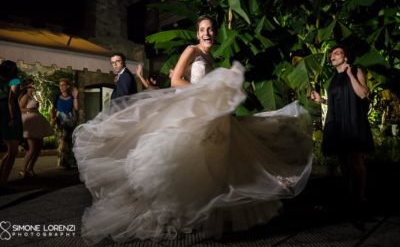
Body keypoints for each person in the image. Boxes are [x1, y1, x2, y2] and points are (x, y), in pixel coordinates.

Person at [73, 15, 313, 243]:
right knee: (186, 159)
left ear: (215, 33)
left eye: (210, 29)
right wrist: (205, 94)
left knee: (217, 160)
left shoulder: (212, 59)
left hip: (211, 112)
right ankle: (173, 209)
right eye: (202, 30)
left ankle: (208, 212)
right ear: (197, 34)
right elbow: (176, 80)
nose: (207, 33)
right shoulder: (192, 50)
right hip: (194, 110)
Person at [310, 45, 374, 205]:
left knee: (356, 160)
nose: (333, 56)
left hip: (353, 121)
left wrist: (350, 74)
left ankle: (360, 196)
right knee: (344, 161)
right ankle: (348, 193)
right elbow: (335, 102)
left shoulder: (356, 70)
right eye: (332, 54)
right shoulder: (333, 80)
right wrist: (321, 100)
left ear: (346, 57)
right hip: (338, 123)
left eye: (337, 53)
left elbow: (363, 93)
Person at [18, 78, 53, 178]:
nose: (35, 85)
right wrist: (29, 109)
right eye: (33, 84)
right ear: (28, 86)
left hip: (37, 123)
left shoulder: (32, 96)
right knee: (32, 148)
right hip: (30, 124)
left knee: (38, 148)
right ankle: (22, 169)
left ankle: (30, 168)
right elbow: (20, 108)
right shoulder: (25, 96)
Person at [0, 60, 23, 184]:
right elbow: (12, 100)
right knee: (13, 151)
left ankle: (2, 180)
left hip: (2, 115)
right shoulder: (14, 81)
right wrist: (13, 118)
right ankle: (3, 182)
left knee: (10, 150)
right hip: (10, 115)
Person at [51, 78, 79, 170]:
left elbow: (76, 108)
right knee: (62, 141)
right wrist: (53, 118)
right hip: (60, 121)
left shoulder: (71, 97)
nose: (61, 87)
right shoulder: (57, 97)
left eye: (63, 85)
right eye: (60, 85)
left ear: (67, 86)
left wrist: (75, 97)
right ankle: (63, 162)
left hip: (70, 121)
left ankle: (69, 162)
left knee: (69, 142)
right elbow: (53, 109)